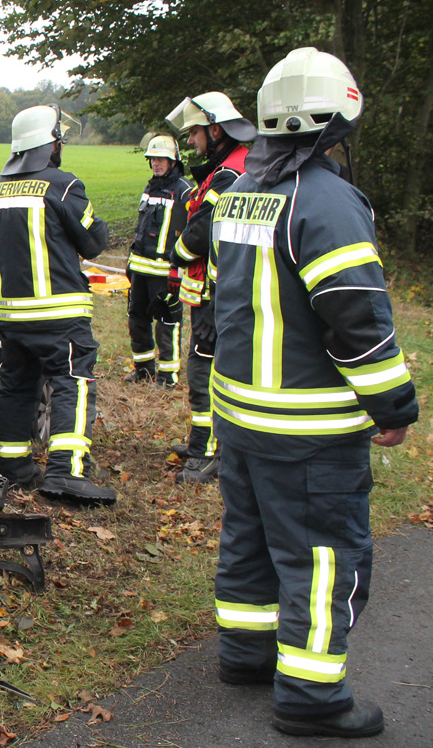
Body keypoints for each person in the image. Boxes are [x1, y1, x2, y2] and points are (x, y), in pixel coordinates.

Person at [210, 47, 418, 738]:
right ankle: (313, 696)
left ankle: (246, 653)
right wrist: (393, 406)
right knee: (323, 557)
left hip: (238, 414)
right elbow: (357, 317)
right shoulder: (327, 202)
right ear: (341, 119)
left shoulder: (240, 190)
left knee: (249, 536)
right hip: (307, 428)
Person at [0, 105, 115, 505]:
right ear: (50, 144)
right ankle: (67, 473)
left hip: (11, 316)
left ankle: (14, 467)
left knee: (17, 385)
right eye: (59, 139)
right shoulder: (63, 186)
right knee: (71, 383)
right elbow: (95, 241)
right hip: (60, 314)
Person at [164, 91, 256, 483]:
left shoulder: (230, 174)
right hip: (213, 291)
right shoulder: (233, 167)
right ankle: (203, 439)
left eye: (195, 134)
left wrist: (177, 253)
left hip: (218, 293)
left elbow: (202, 231)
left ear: (215, 129)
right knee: (204, 366)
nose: (190, 142)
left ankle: (209, 451)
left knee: (206, 370)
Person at [123, 134, 192, 387]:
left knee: (167, 322)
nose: (156, 164)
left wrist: (178, 268)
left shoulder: (185, 191)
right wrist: (130, 263)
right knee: (136, 319)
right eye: (153, 159)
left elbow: (190, 232)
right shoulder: (149, 187)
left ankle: (168, 377)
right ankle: (143, 370)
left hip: (166, 271)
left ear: (174, 161)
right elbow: (142, 228)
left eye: (161, 159)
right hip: (140, 268)